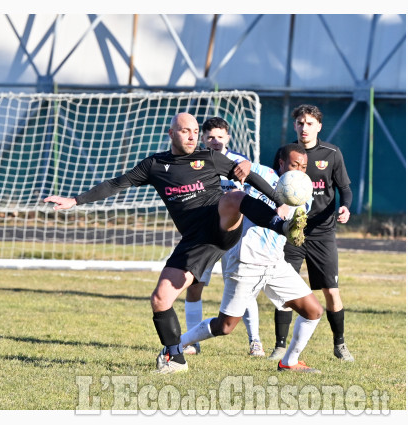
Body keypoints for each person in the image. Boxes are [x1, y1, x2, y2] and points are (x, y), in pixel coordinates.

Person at [44, 112, 307, 374]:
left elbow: (249, 177)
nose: (192, 136)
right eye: (185, 131)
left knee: (233, 197)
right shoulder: (155, 165)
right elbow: (117, 184)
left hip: (222, 227)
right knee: (160, 299)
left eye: (195, 131)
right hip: (195, 241)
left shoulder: (211, 157)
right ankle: (175, 358)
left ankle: (282, 227)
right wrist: (75, 200)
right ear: (172, 134)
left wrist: (279, 200)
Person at [180, 143, 324, 372]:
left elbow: (295, 215)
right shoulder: (265, 173)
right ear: (281, 163)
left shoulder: (303, 191)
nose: (299, 170)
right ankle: (176, 346)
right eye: (294, 164)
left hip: (275, 264)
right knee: (225, 326)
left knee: (313, 311)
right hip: (245, 262)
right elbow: (243, 167)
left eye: (304, 166)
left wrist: (291, 217)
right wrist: (245, 165)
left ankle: (289, 362)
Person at [267, 104, 354, 362]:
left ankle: (340, 344)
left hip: (322, 234)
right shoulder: (286, 153)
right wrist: (278, 206)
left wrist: (345, 207)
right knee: (286, 290)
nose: (304, 128)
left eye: (309, 123)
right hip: (292, 232)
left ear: (318, 126)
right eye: (300, 123)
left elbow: (345, 189)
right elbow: (274, 185)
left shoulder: (332, 153)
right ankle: (280, 347)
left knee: (331, 291)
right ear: (295, 126)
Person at [183, 117, 263, 358]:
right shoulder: (194, 164)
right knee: (195, 286)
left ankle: (255, 341)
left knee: (243, 287)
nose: (215, 142)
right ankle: (191, 342)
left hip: (235, 235)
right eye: (209, 137)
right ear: (202, 139)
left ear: (228, 138)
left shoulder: (240, 163)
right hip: (205, 234)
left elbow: (254, 185)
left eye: (220, 137)